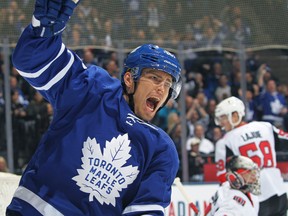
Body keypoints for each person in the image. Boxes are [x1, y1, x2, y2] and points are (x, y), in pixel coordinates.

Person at [6, 0, 182, 215]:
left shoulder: (162, 149)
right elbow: (32, 60)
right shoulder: (93, 89)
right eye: (154, 78)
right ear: (129, 78)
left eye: (168, 84)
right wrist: (42, 32)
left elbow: (146, 210)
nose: (162, 89)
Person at [214, 96, 288, 216]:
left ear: (235, 115)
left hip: (256, 199)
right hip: (279, 193)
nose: (221, 122)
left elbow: (224, 179)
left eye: (223, 117)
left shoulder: (225, 141)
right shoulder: (265, 126)